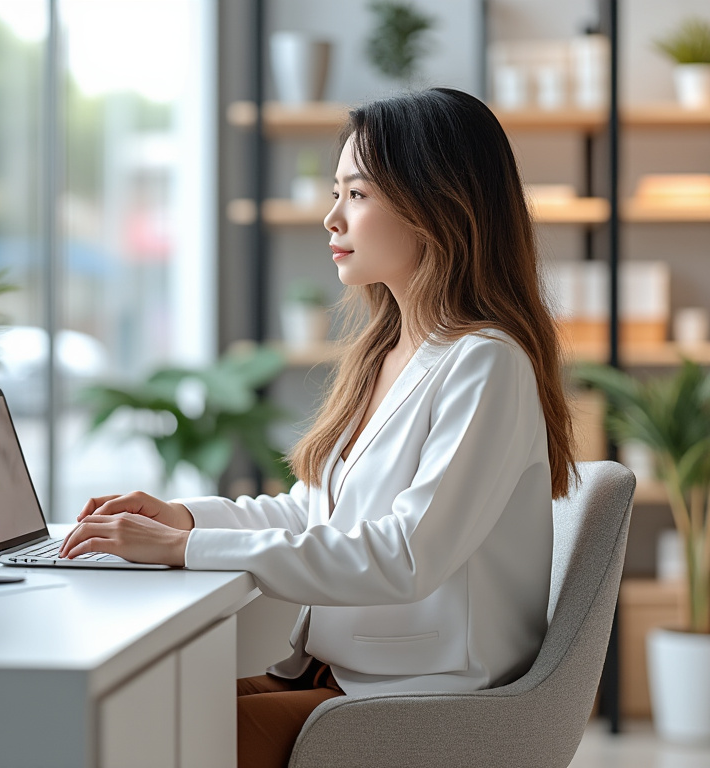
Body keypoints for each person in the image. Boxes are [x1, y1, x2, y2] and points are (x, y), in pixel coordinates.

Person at [59, 87, 576, 768]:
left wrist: (185, 551)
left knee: (133, 737)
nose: (331, 218)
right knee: (105, 718)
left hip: (414, 699)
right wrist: (183, 518)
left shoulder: (486, 364)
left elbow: (405, 556)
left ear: (436, 206)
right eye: (337, 193)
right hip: (330, 677)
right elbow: (313, 514)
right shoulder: (389, 353)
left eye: (357, 195)